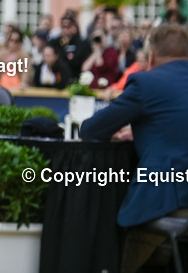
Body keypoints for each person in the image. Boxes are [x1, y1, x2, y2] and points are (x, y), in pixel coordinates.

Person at [80, 25, 188, 273]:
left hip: (169, 200)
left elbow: (92, 131)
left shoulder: (146, 82)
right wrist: (142, 128)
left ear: (150, 57)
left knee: (117, 240)